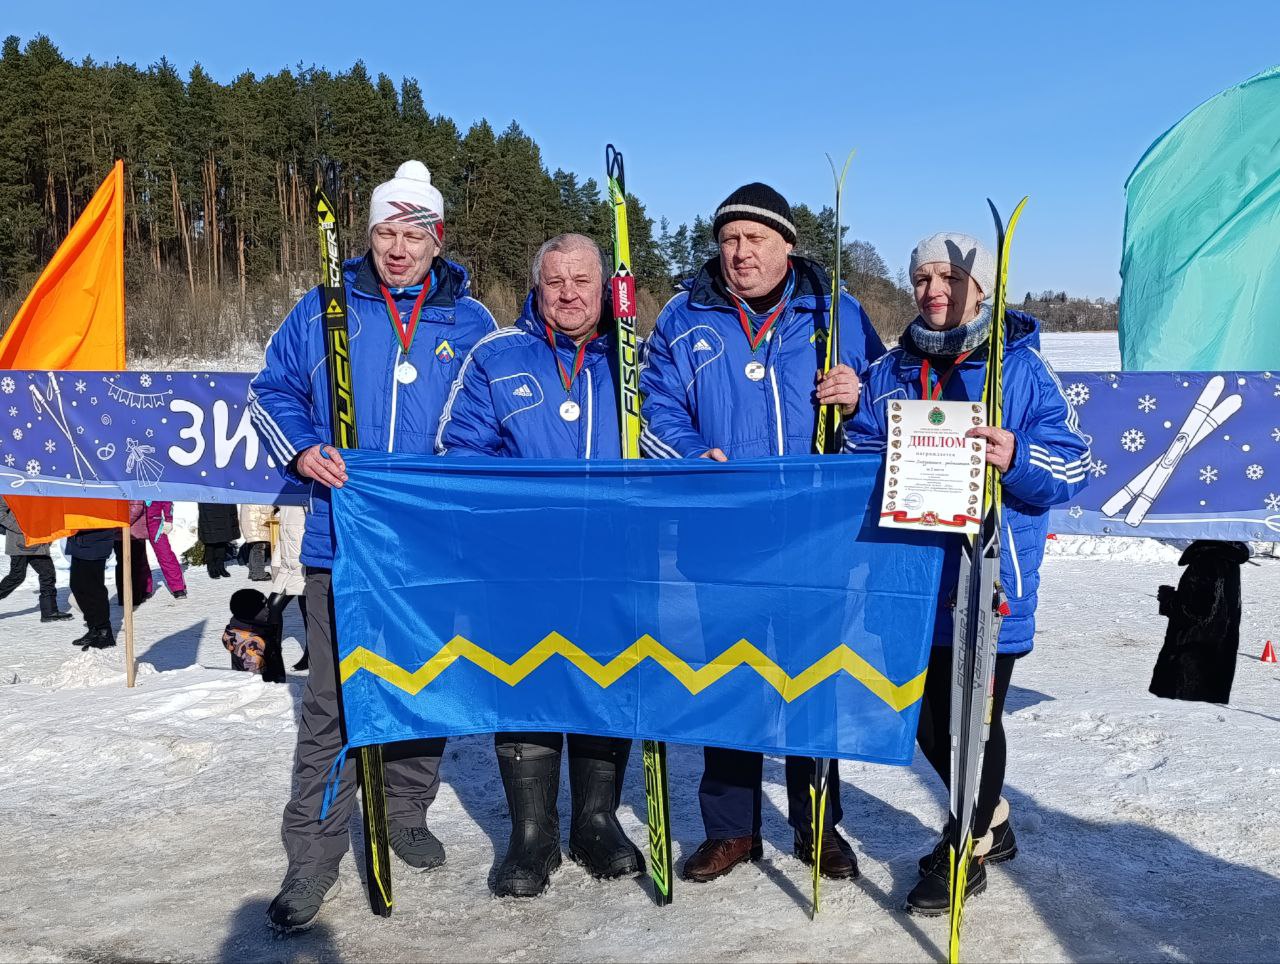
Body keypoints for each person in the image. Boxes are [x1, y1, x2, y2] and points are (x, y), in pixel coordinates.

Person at [250, 159, 498, 932]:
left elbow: (491, 429)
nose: (397, 249)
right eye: (385, 233)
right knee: (333, 703)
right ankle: (313, 858)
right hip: (341, 538)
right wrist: (301, 448)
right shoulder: (325, 306)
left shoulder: (473, 321)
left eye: (412, 234)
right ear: (367, 235)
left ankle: (407, 808)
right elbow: (270, 391)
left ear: (437, 238)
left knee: (424, 683)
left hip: (430, 549)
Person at [639, 183, 885, 884]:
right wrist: (690, 456)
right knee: (730, 682)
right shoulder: (685, 318)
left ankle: (818, 827)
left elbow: (885, 391)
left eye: (755, 239)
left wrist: (860, 392)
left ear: (788, 246)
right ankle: (730, 829)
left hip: (816, 538)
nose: (740, 253)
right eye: (729, 239)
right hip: (724, 540)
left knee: (812, 685)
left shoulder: (836, 313)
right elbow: (655, 407)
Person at [843, 231, 1090, 914]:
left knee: (974, 728)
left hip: (989, 580)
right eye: (922, 278)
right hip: (911, 576)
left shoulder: (1022, 370)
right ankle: (992, 816)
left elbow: (1076, 464)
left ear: (981, 288)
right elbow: (860, 446)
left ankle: (965, 848)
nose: (934, 291)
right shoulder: (892, 371)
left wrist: (1017, 456)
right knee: (925, 721)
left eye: (950, 277)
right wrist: (864, 438)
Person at [438, 233, 645, 897]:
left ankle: (594, 820)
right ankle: (532, 833)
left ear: (604, 286)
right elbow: (459, 449)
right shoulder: (497, 356)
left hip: (613, 558)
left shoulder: (635, 359)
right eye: (554, 280)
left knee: (603, 683)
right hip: (521, 562)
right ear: (537, 285)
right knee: (524, 682)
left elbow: (672, 436)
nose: (568, 293)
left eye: (581, 280)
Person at [1150, 540, 1249, 704]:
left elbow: (1196, 612)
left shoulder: (1206, 560)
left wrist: (1167, 600)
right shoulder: (1228, 559)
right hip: (1213, 658)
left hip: (1190, 666)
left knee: (1180, 720)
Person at [0, 499, 71, 621]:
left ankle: (49, 612)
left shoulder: (41, 486)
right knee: (17, 576)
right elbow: (1, 513)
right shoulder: (14, 484)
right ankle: (50, 612)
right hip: (19, 541)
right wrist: (21, 526)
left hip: (39, 540)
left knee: (47, 573)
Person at [264, 504, 308, 670]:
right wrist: (276, 565)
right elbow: (281, 540)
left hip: (304, 567)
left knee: (308, 614)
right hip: (287, 568)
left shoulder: (302, 498)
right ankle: (273, 653)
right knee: (272, 607)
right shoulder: (284, 504)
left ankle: (311, 655)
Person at [65, 528, 116, 649]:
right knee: (77, 585)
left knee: (94, 588)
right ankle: (93, 627)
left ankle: (104, 631)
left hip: (96, 540)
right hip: (78, 540)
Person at [115, 501, 153, 607]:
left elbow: (137, 508)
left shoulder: (133, 488)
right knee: (122, 565)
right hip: (119, 534)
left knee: (135, 565)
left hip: (134, 533)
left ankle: (135, 597)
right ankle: (123, 597)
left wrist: (120, 523)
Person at [145, 501, 186, 598]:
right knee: (138, 555)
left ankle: (177, 587)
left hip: (155, 522)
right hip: (136, 521)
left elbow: (165, 498)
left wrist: (168, 519)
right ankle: (144, 588)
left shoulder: (157, 485)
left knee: (165, 554)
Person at [198, 502, 239, 579]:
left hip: (222, 506)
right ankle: (211, 568)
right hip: (209, 505)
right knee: (210, 540)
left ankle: (220, 566)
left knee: (222, 540)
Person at [239, 503, 273, 581]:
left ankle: (253, 572)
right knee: (259, 549)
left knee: (254, 548)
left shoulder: (249, 496)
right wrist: (276, 506)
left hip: (253, 525)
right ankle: (259, 574)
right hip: (257, 526)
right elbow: (266, 508)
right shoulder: (258, 497)